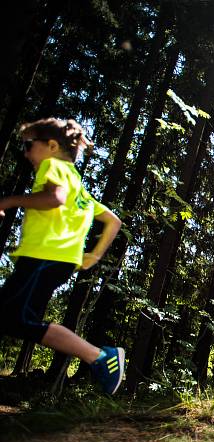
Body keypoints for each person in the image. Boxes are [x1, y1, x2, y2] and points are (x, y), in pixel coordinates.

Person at [0, 118, 125, 394]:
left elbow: (54, 199)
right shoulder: (78, 186)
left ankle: (100, 356)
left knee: (11, 316)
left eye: (29, 145)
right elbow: (113, 221)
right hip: (61, 261)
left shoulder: (52, 166)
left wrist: (8, 202)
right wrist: (93, 256)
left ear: (52, 145)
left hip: (42, 257)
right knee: (19, 321)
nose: (26, 153)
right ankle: (100, 357)